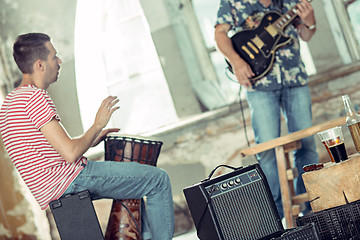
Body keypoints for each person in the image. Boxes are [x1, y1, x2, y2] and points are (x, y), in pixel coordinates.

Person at [0, 33, 174, 240]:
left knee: (134, 184)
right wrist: (98, 123)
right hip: (70, 179)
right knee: (158, 180)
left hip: (48, 187)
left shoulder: (11, 102)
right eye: (54, 56)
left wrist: (91, 138)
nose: (59, 61)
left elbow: (45, 147)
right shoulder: (36, 98)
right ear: (40, 65)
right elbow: (70, 153)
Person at [215, 0, 319, 219]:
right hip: (259, 85)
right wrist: (235, 61)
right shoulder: (232, 2)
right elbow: (220, 34)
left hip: (295, 78)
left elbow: (305, 35)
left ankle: (310, 209)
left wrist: (310, 22)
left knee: (307, 144)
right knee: (267, 151)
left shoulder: (291, 2)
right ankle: (278, 216)